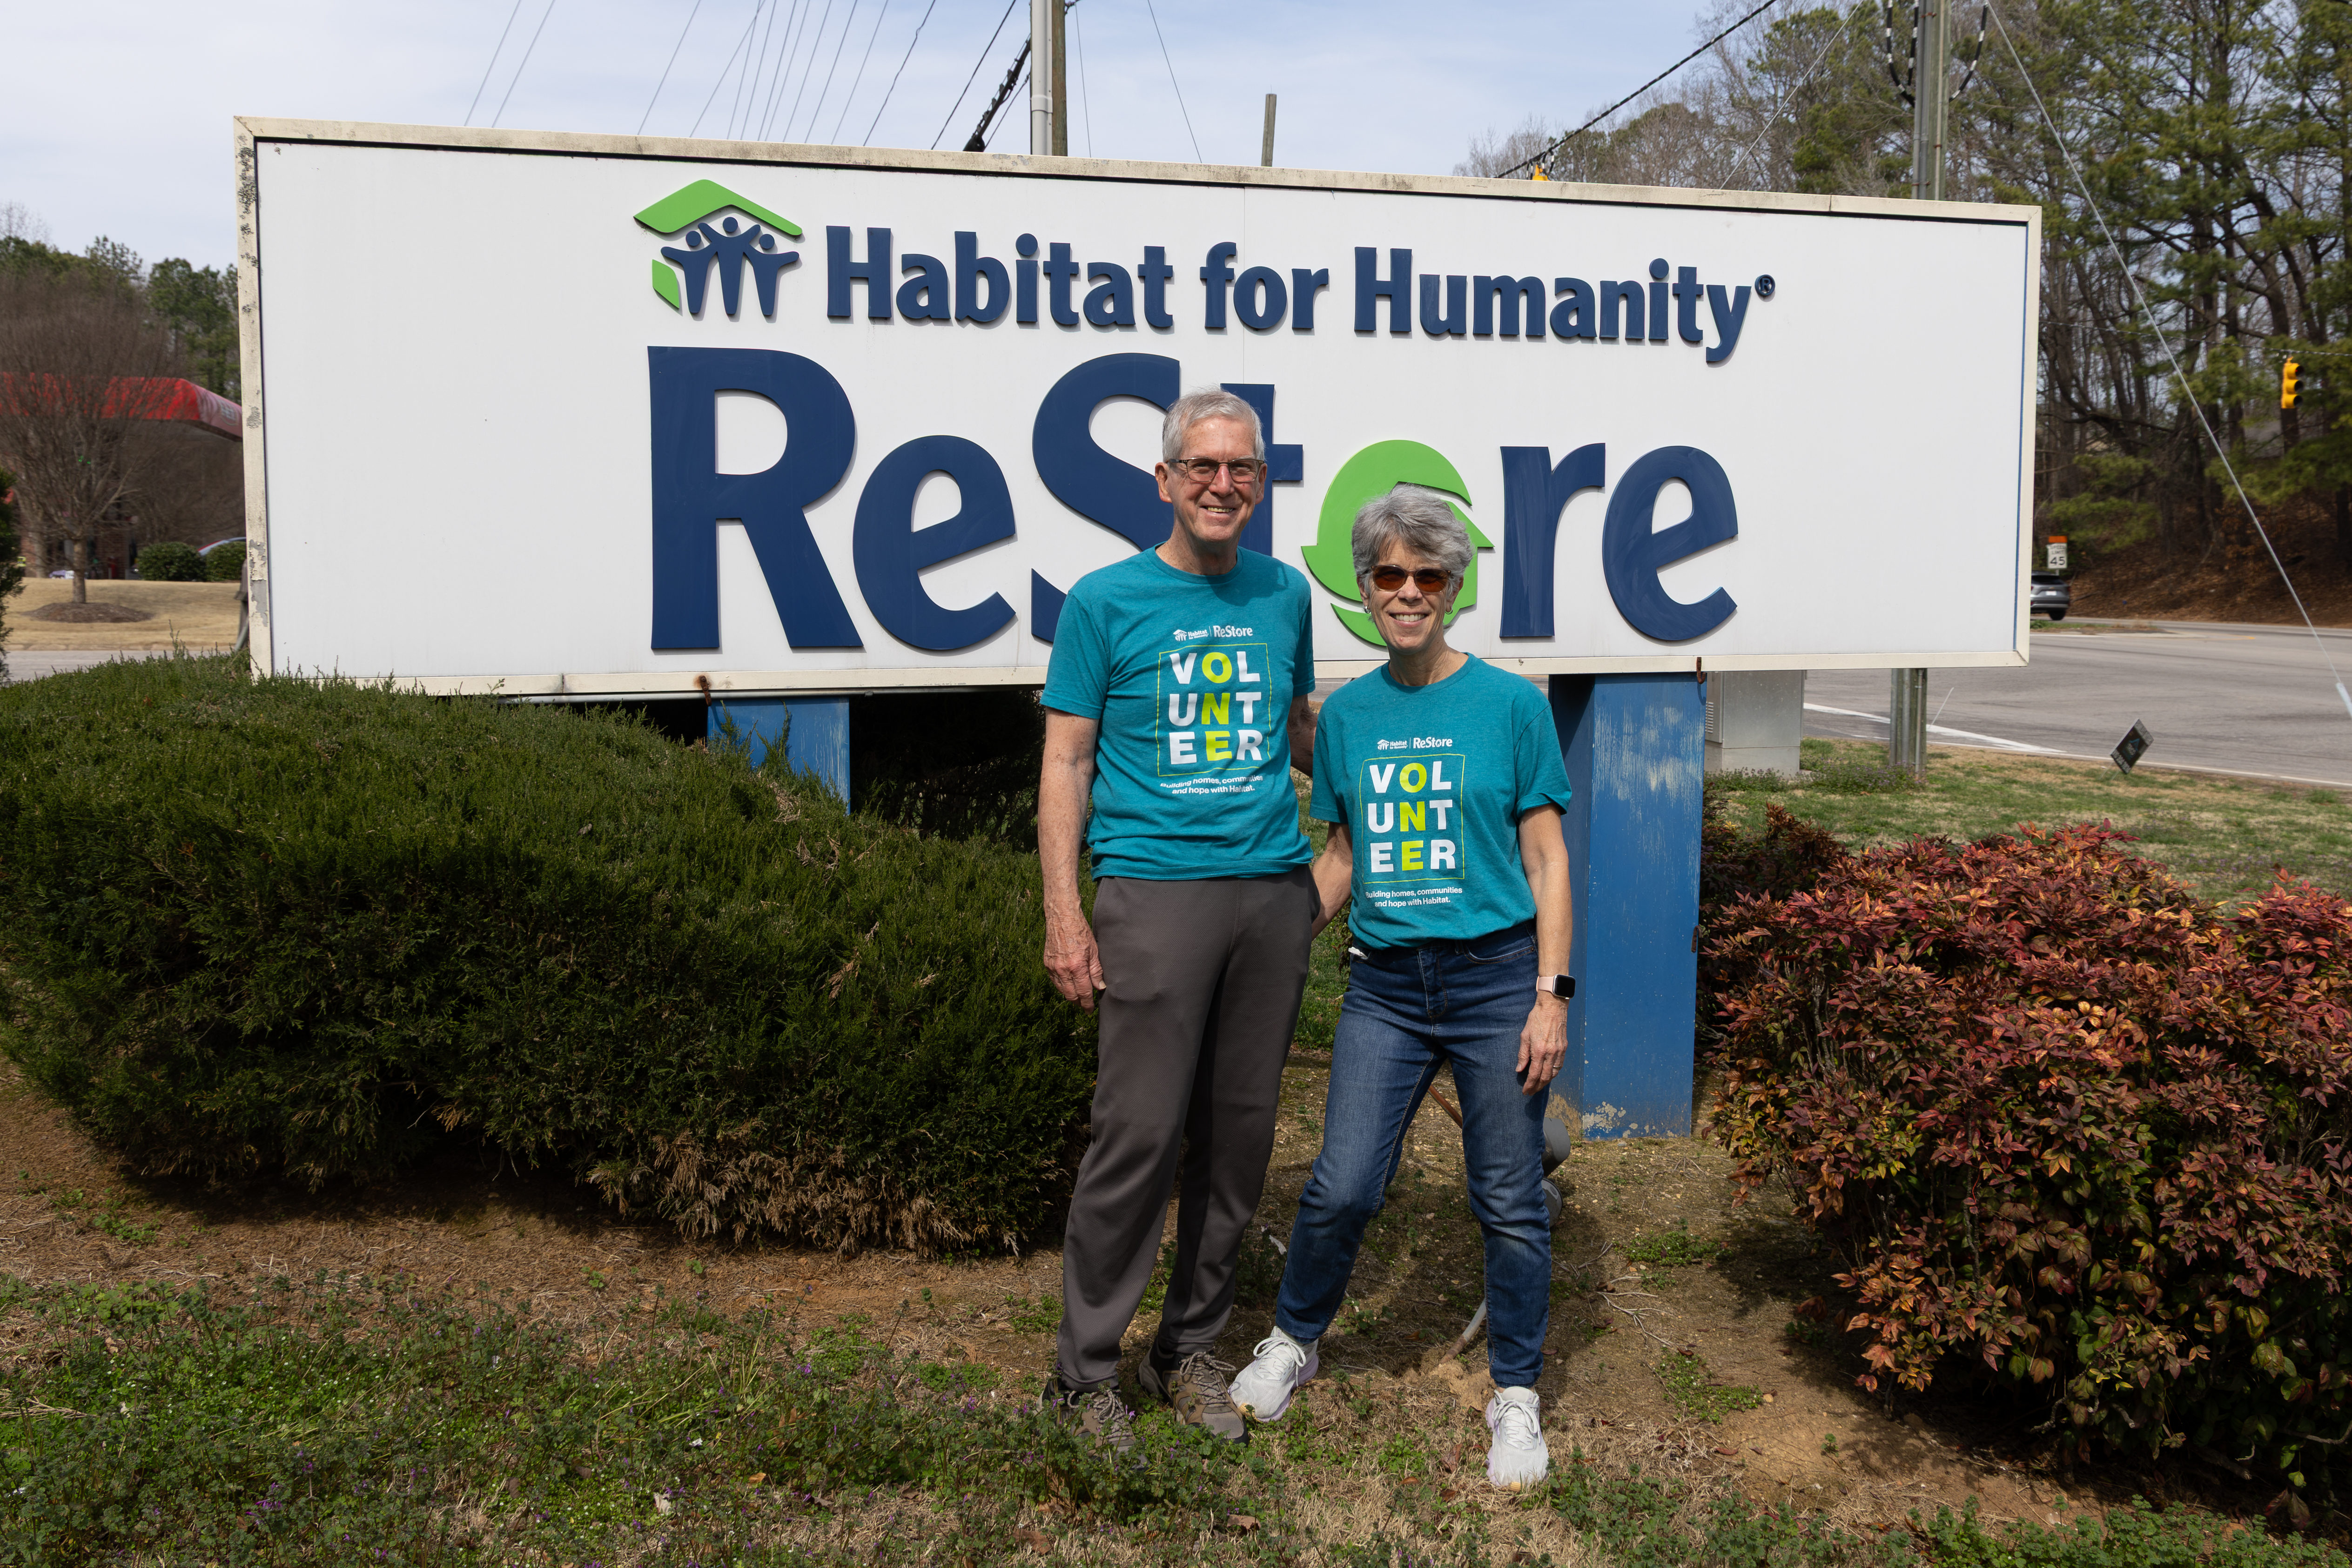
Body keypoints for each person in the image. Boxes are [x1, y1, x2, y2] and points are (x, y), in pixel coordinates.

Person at [1225, 488, 1574, 1490]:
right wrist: (1266, 940)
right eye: (1389, 574)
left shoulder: (1511, 705)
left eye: (1429, 575)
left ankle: (1516, 1393)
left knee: (1507, 1199)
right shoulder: (1349, 717)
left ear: (1454, 587)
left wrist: (1550, 994)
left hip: (1496, 976)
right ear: (1365, 589)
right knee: (1340, 1185)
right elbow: (1341, 857)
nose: (1409, 591)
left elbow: (1546, 859)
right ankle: (1296, 1338)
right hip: (1384, 983)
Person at [1037, 387, 1321, 1450]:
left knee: (1239, 1139)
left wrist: (1403, 751)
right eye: (1200, 466)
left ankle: (1189, 1349)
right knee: (1139, 1135)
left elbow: (1296, 731)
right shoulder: (1104, 601)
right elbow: (1064, 760)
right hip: (1151, 892)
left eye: (1241, 468)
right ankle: (1081, 1373)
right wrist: (1066, 915)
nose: (1221, 484)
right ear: (1164, 480)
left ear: (1260, 481)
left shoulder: (1282, 595)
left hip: (1269, 894)